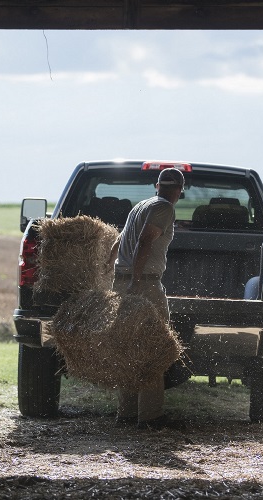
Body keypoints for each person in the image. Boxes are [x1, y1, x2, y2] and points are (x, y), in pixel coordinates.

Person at [109, 167, 185, 429]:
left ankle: (127, 413)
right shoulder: (165, 208)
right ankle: (150, 416)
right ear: (180, 190)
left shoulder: (141, 205)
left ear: (157, 185)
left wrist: (113, 274)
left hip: (123, 280)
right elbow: (144, 241)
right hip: (144, 284)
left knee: (129, 346)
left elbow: (117, 243)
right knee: (155, 347)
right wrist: (137, 280)